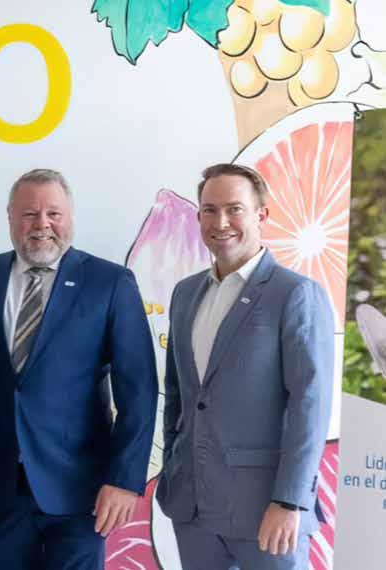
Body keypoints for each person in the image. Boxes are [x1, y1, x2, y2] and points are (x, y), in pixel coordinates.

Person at [0, 168, 158, 569]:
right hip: (0, 488)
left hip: (82, 491)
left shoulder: (110, 282)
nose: (42, 224)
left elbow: (138, 391)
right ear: (10, 218)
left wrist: (124, 479)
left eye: (53, 213)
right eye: (29, 214)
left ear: (70, 216)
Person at [155, 163, 334, 569]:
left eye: (234, 209)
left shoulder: (296, 294)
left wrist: (290, 501)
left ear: (261, 215)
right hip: (192, 509)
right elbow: (179, 396)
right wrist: (173, 467)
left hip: (267, 511)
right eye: (209, 210)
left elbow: (310, 406)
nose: (221, 222)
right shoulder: (185, 294)